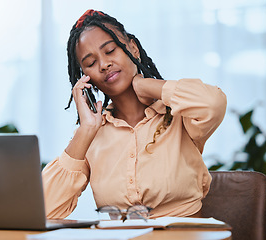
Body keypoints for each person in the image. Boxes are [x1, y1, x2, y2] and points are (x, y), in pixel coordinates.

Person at [42, 9, 227, 220]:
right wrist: (85, 131)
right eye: (91, 63)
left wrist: (148, 86)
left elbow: (213, 103)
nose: (104, 64)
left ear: (133, 48)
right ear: (86, 79)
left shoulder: (178, 114)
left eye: (110, 50)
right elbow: (45, 210)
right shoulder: (92, 135)